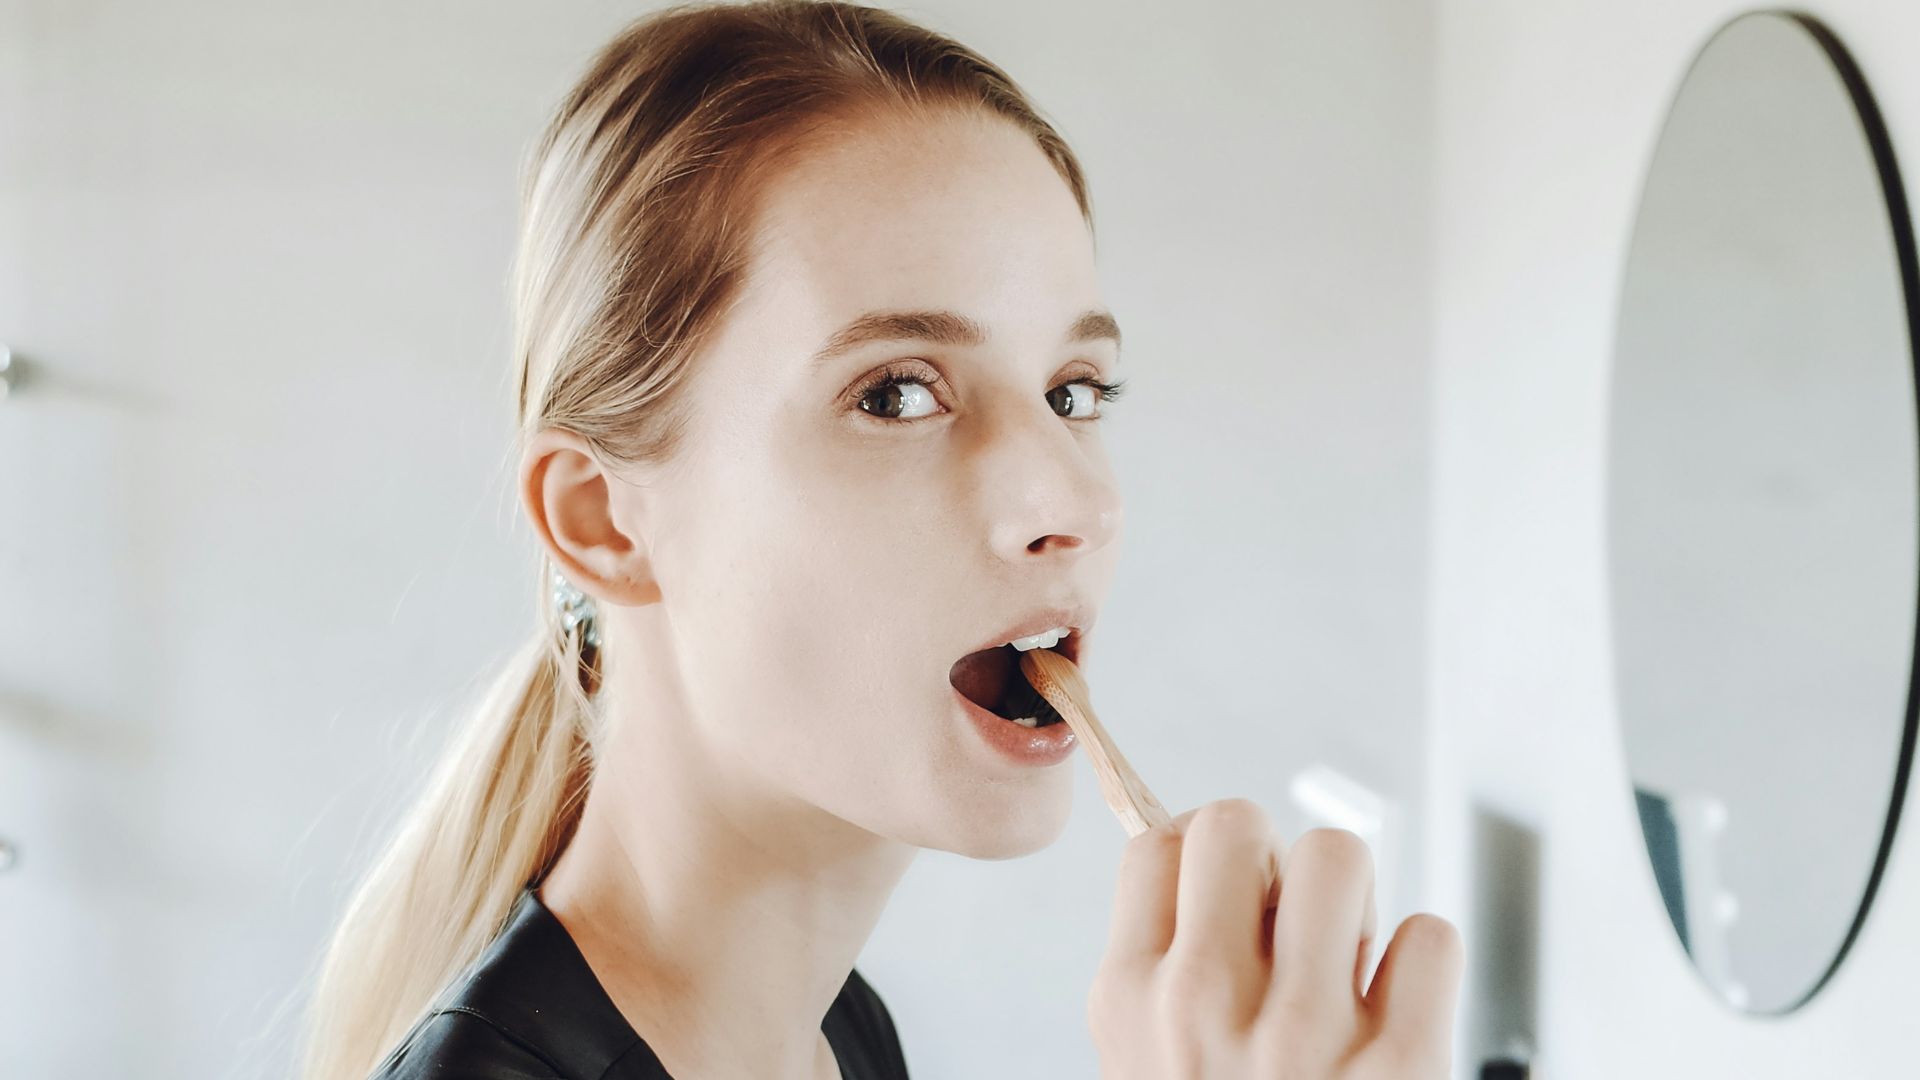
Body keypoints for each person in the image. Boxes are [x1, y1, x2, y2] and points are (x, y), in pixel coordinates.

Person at [298, 3, 1465, 1078]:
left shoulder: (838, 1036)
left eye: (1073, 391)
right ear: (604, 521)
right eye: (899, 394)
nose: (1077, 502)